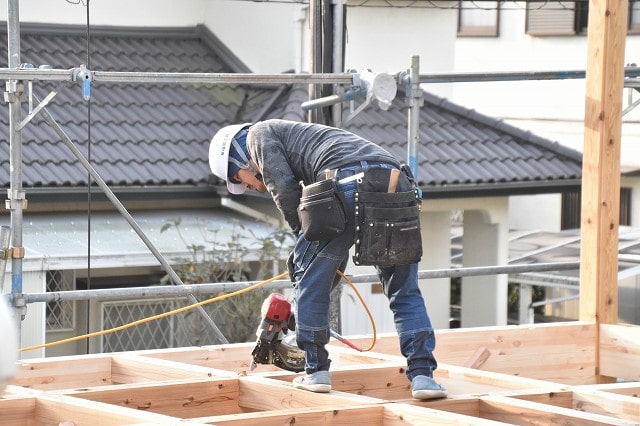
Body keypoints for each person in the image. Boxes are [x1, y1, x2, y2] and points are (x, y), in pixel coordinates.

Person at [209, 119, 447, 400]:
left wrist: (304, 250)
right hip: (396, 182)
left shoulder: (257, 136)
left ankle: (316, 371)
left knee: (309, 281)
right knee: (404, 290)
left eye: (238, 179)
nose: (246, 187)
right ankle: (423, 377)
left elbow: (284, 189)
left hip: (347, 181)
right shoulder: (304, 140)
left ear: (238, 156)